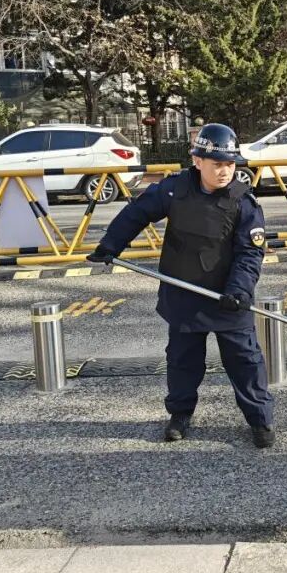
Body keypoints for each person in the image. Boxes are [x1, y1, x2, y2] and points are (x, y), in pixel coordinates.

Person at [87, 123, 276, 448]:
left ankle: (260, 419)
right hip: (183, 291)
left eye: (230, 164)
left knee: (245, 361)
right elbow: (137, 212)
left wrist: (239, 291)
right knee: (182, 361)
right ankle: (179, 415)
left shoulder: (243, 202)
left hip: (228, 297)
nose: (225, 171)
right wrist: (110, 244)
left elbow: (250, 253)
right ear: (197, 161)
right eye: (217, 164)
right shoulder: (175, 189)